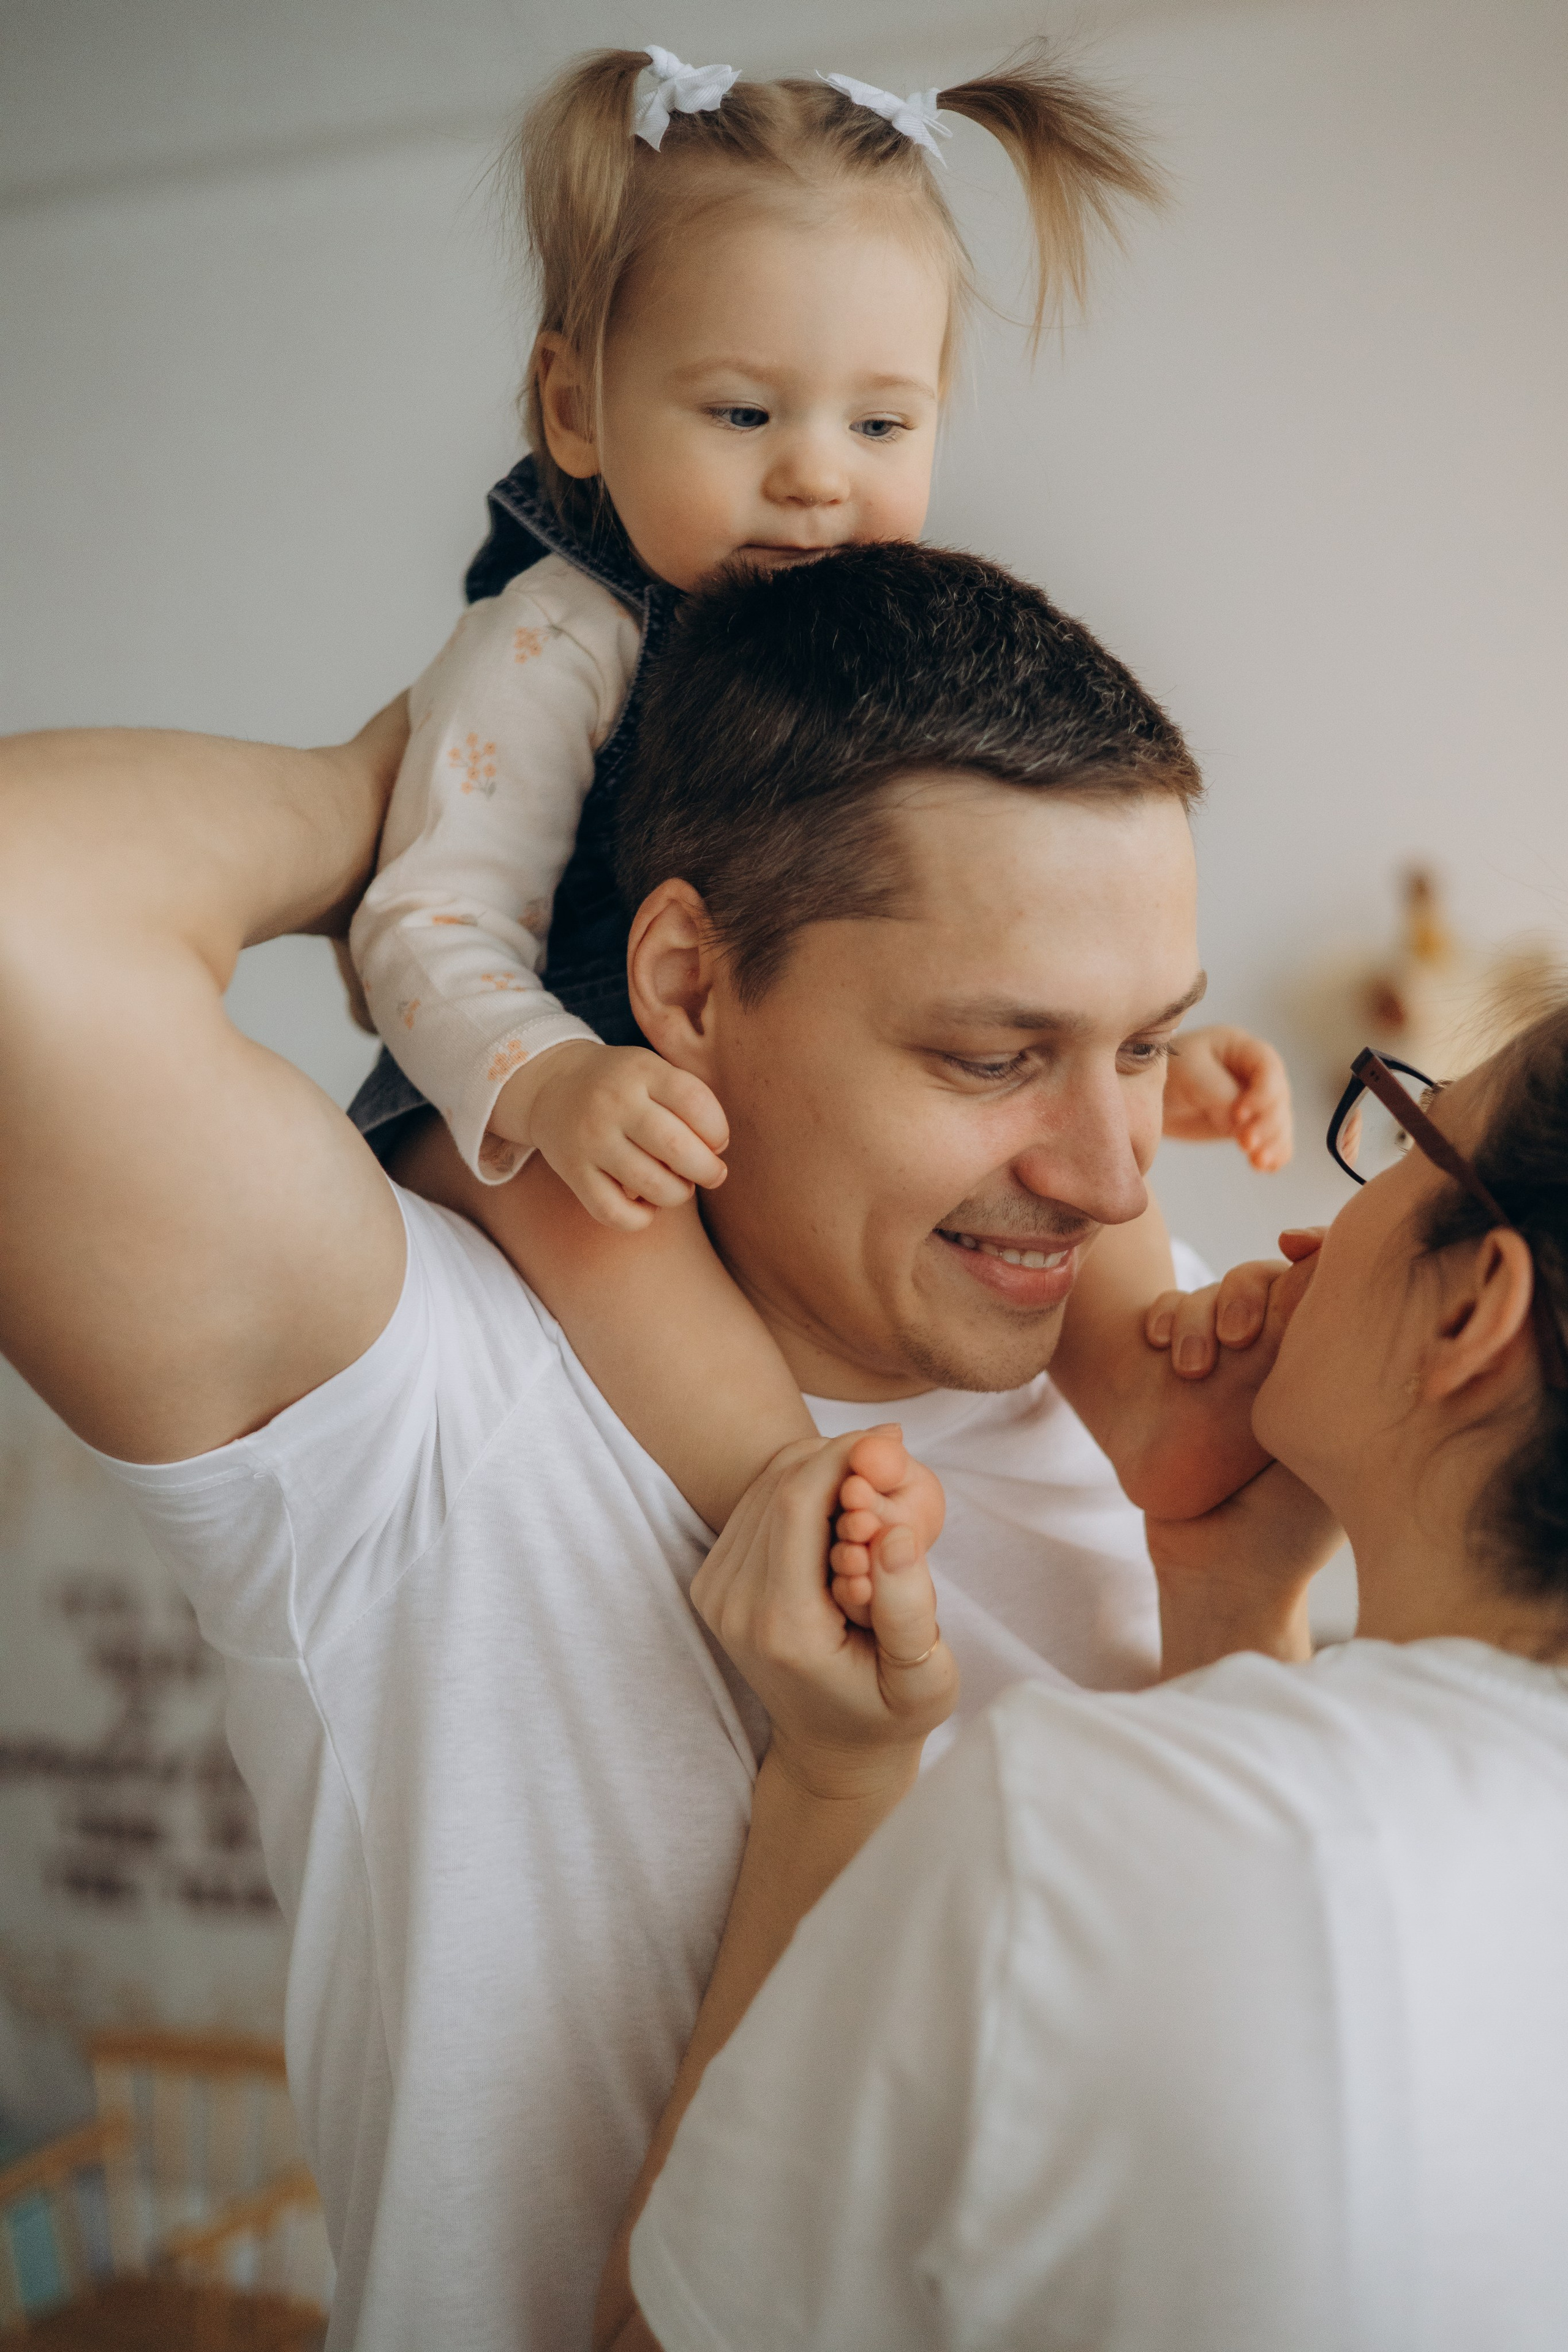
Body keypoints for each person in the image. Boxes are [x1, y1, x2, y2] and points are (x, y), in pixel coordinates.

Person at [0, 547, 1278, 2350]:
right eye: (996, 1058)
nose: (1115, 1171)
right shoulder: (435, 1399)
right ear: (683, 982)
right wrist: (462, 782)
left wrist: (1235, 1587)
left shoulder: (1187, 1378)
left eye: (1144, 1046)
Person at [345, 42, 1291, 1545]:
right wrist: (546, 1077)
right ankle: (776, 1493)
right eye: (741, 416)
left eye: (879, 425)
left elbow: (945, 935)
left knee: (1083, 1193)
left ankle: (1147, 1401)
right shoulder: (549, 639)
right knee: (610, 1226)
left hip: (739, 1037)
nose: (815, 481)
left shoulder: (873, 633)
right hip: (526, 1064)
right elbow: (422, 921)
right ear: (576, 407)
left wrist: (1124, 1058)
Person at [607, 1011, 1568, 2352]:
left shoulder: (1068, 1830)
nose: (1303, 1234)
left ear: (1471, 1308)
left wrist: (836, 1778)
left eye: (1398, 1143)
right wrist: (1231, 1599)